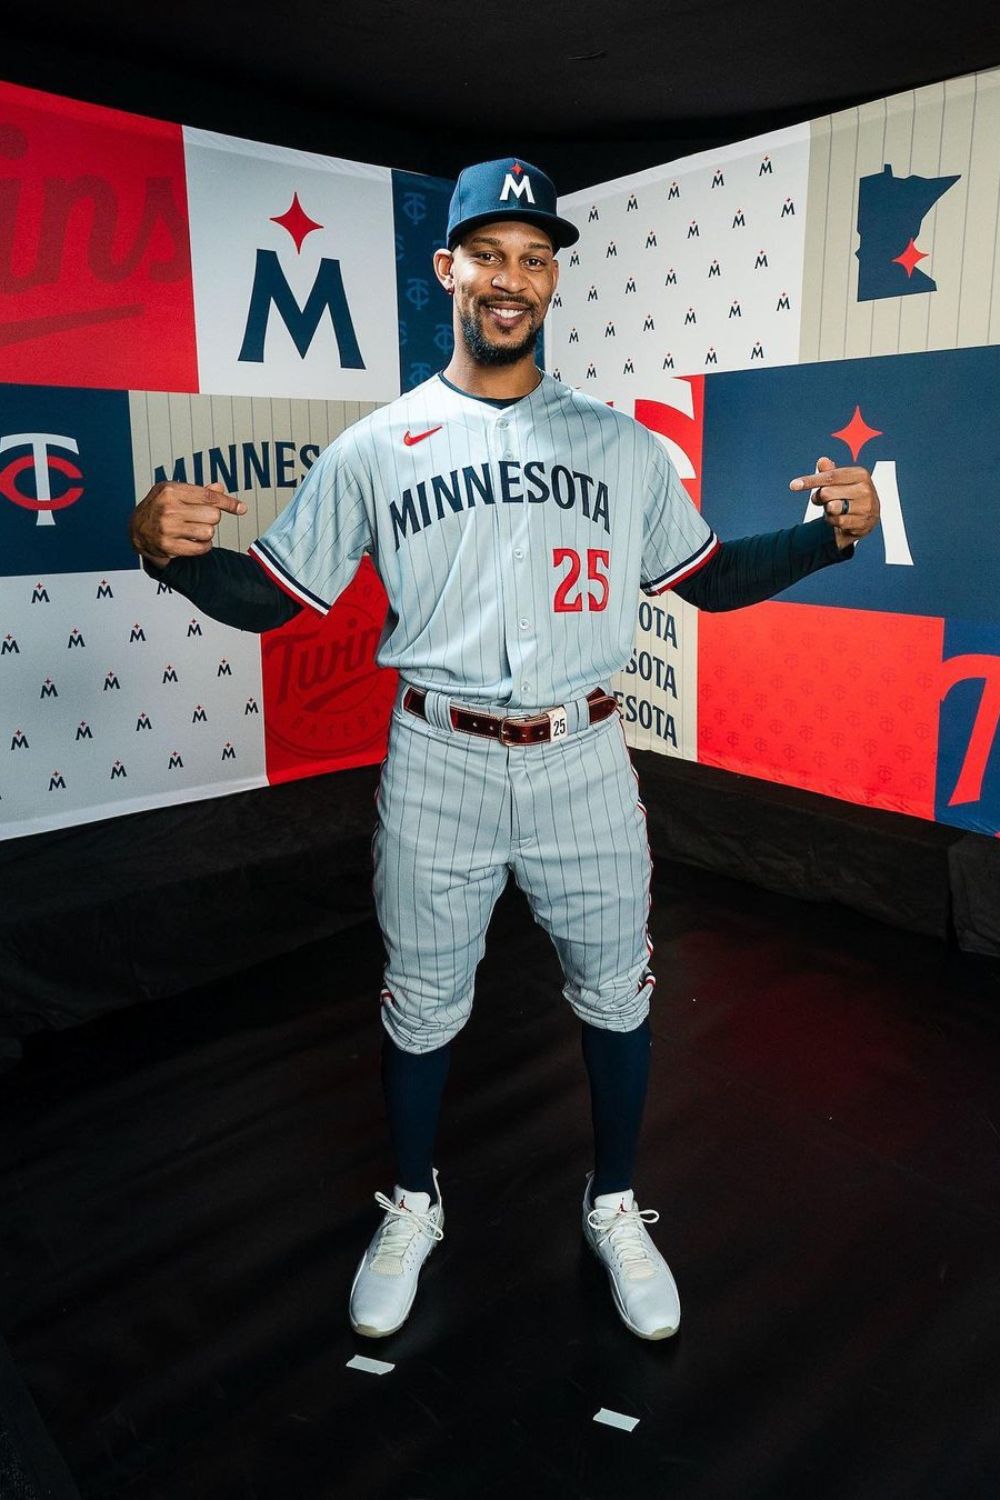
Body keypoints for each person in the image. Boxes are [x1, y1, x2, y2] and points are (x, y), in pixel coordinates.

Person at [129, 158, 880, 1342]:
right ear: (448, 270)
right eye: (487, 252)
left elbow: (711, 578)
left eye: (534, 256)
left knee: (618, 994)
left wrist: (826, 542)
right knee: (422, 1005)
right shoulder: (377, 445)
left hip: (583, 757)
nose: (510, 276)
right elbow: (274, 596)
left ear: (552, 279)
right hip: (439, 761)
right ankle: (414, 1202)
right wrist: (164, 554)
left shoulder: (620, 446)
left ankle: (617, 1199)